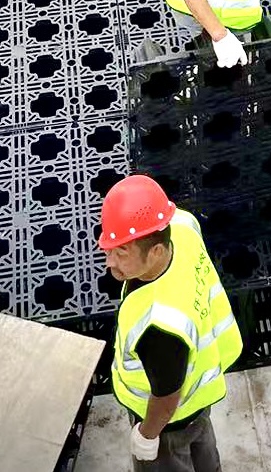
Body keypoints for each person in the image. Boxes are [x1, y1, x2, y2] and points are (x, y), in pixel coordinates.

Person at [100, 174, 241, 471]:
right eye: (109, 249)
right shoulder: (182, 227)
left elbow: (166, 397)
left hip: (169, 422)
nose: (110, 262)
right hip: (199, 396)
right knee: (202, 446)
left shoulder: (159, 327)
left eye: (121, 253)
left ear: (156, 252)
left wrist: (147, 434)